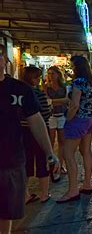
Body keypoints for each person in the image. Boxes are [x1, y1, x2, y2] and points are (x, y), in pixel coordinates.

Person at [0, 44, 59, 233]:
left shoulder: (20, 90)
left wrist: (50, 152)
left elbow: (36, 120)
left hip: (10, 161)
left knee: (5, 213)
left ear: (5, 60)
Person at [58, 56, 92, 203]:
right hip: (91, 119)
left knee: (68, 154)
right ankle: (87, 184)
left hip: (78, 120)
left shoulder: (78, 82)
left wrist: (68, 118)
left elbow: (74, 104)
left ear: (77, 67)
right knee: (86, 151)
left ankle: (72, 190)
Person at [21, 67, 52, 204]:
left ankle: (25, 194)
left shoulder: (18, 93)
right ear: (33, 78)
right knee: (42, 161)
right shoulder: (36, 93)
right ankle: (44, 194)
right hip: (38, 130)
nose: (39, 79)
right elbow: (45, 113)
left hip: (22, 132)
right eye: (37, 77)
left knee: (25, 163)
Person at [45, 66, 68, 181]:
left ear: (58, 74)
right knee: (51, 142)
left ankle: (60, 165)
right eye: (49, 73)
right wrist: (60, 101)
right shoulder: (46, 87)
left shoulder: (64, 87)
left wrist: (53, 101)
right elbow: (47, 101)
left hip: (62, 116)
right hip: (51, 116)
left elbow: (67, 100)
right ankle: (52, 165)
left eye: (52, 73)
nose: (50, 76)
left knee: (62, 142)